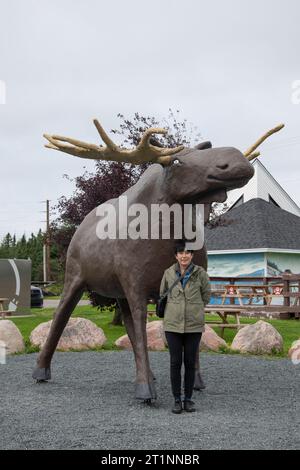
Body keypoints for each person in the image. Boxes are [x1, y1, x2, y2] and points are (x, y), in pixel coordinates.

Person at [160, 241, 211, 414]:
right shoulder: (168, 273)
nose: (184, 255)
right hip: (173, 325)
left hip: (193, 325)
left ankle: (188, 399)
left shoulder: (200, 273)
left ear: (192, 255)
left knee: (190, 363)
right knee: (175, 363)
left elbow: (206, 296)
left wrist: (194, 308)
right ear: (176, 256)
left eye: (187, 252)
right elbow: (162, 294)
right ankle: (176, 399)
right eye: (181, 253)